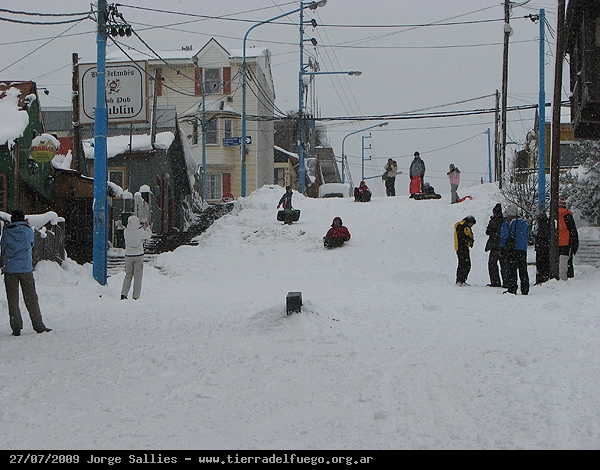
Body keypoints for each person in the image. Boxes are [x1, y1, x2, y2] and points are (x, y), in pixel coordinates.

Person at [1, 209, 51, 336]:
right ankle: (38, 325)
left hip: (10, 269)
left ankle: (16, 326)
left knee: (12, 299)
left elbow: (3, 249)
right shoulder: (28, 231)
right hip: (25, 269)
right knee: (31, 297)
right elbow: (31, 244)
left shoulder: (6, 232)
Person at [499, 204, 530, 295]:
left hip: (513, 249)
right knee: (523, 269)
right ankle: (525, 288)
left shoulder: (508, 222)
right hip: (523, 249)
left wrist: (502, 246)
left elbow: (504, 235)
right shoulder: (524, 222)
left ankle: (512, 288)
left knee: (512, 270)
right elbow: (527, 235)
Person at [120, 215, 152, 300]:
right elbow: (148, 235)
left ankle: (123, 294)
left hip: (128, 255)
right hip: (138, 255)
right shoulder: (140, 231)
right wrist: (147, 227)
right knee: (138, 277)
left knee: (128, 275)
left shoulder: (126, 232)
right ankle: (136, 296)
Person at [558, 198, 579, 280]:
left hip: (556, 242)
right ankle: (566, 276)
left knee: (559, 260)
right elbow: (573, 231)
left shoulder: (554, 215)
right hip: (566, 241)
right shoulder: (567, 215)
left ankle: (558, 276)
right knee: (566, 260)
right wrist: (575, 244)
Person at [484, 203, 505, 287]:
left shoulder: (494, 221)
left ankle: (495, 281)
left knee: (492, 264)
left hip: (495, 245)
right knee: (504, 265)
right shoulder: (504, 220)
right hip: (503, 245)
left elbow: (488, 232)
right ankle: (506, 281)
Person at [454, 215, 476, 286]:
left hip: (464, 247)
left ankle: (462, 280)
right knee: (464, 264)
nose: (472, 226)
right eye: (471, 224)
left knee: (466, 264)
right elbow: (461, 236)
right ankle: (460, 280)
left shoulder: (465, 226)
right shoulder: (461, 226)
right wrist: (468, 239)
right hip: (461, 248)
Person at [534, 211, 550, 285]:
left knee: (540, 264)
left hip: (540, 247)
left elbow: (536, 235)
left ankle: (540, 279)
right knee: (545, 264)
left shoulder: (539, 226)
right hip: (546, 247)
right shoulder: (548, 225)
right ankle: (545, 277)